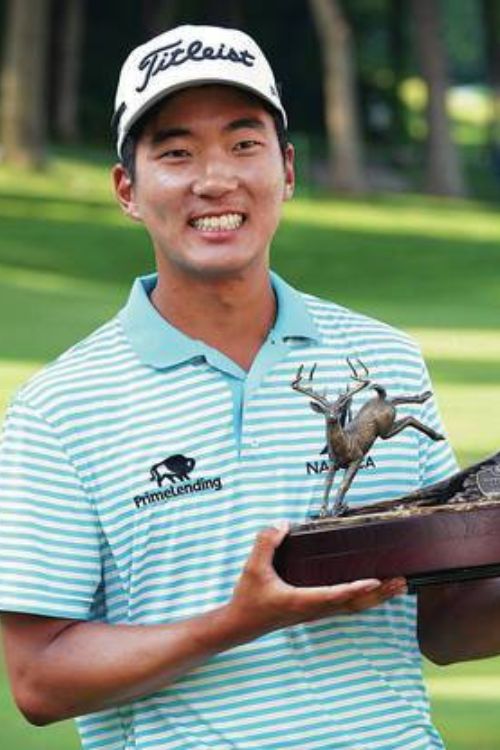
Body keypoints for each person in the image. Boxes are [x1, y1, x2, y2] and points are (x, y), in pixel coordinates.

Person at [1, 23, 498, 750]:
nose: (215, 178)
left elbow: (446, 627)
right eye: (176, 151)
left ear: (287, 170)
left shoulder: (384, 355)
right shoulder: (60, 409)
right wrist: (242, 620)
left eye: (244, 144)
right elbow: (39, 680)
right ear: (127, 189)